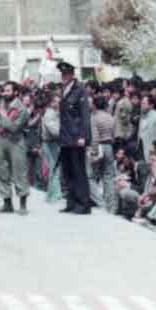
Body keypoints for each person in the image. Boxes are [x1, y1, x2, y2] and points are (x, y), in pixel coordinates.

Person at [57, 61, 92, 214]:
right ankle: (71, 202)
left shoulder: (79, 90)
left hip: (76, 137)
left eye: (66, 74)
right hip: (65, 138)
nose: (64, 76)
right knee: (68, 172)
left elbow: (85, 116)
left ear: (72, 75)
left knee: (79, 172)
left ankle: (83, 204)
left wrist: (83, 136)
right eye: (62, 74)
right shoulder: (64, 90)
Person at [0, 81, 30, 215]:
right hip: (2, 140)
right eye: (4, 90)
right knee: (1, 171)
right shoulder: (3, 105)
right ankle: (7, 203)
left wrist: (2, 114)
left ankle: (23, 206)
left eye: (8, 91)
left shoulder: (21, 109)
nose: (5, 93)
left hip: (16, 141)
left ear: (15, 92)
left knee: (19, 173)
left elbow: (14, 127)